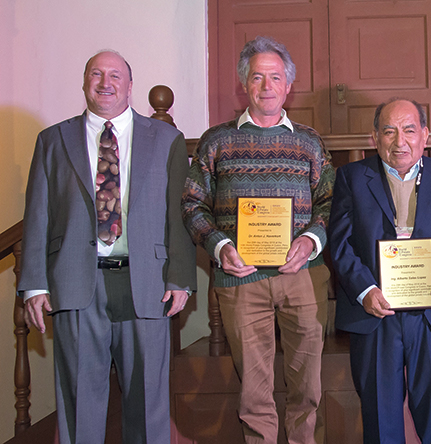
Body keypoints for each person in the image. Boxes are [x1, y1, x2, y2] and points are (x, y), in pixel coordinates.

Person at [16, 50, 196, 443]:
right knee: (79, 405)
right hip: (76, 284)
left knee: (148, 405)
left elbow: (178, 215)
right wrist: (34, 283)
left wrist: (181, 277)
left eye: (115, 75)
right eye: (96, 74)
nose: (105, 82)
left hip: (148, 283)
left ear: (129, 86)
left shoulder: (166, 139)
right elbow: (38, 213)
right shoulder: (53, 140)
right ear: (85, 83)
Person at [182, 35, 333, 444]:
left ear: (289, 85)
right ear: (244, 83)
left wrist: (311, 241)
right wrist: (219, 246)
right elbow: (192, 204)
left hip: (302, 277)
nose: (267, 86)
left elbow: (329, 202)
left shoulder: (309, 141)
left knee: (308, 389)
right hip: (240, 280)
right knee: (254, 394)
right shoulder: (216, 141)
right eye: (257, 77)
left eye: (275, 77)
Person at [329, 98, 431, 443]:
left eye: (409, 130)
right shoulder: (352, 178)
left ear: (425, 135)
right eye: (389, 131)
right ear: (375, 137)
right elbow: (340, 244)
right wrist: (365, 290)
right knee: (381, 420)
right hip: (376, 313)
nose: (400, 141)